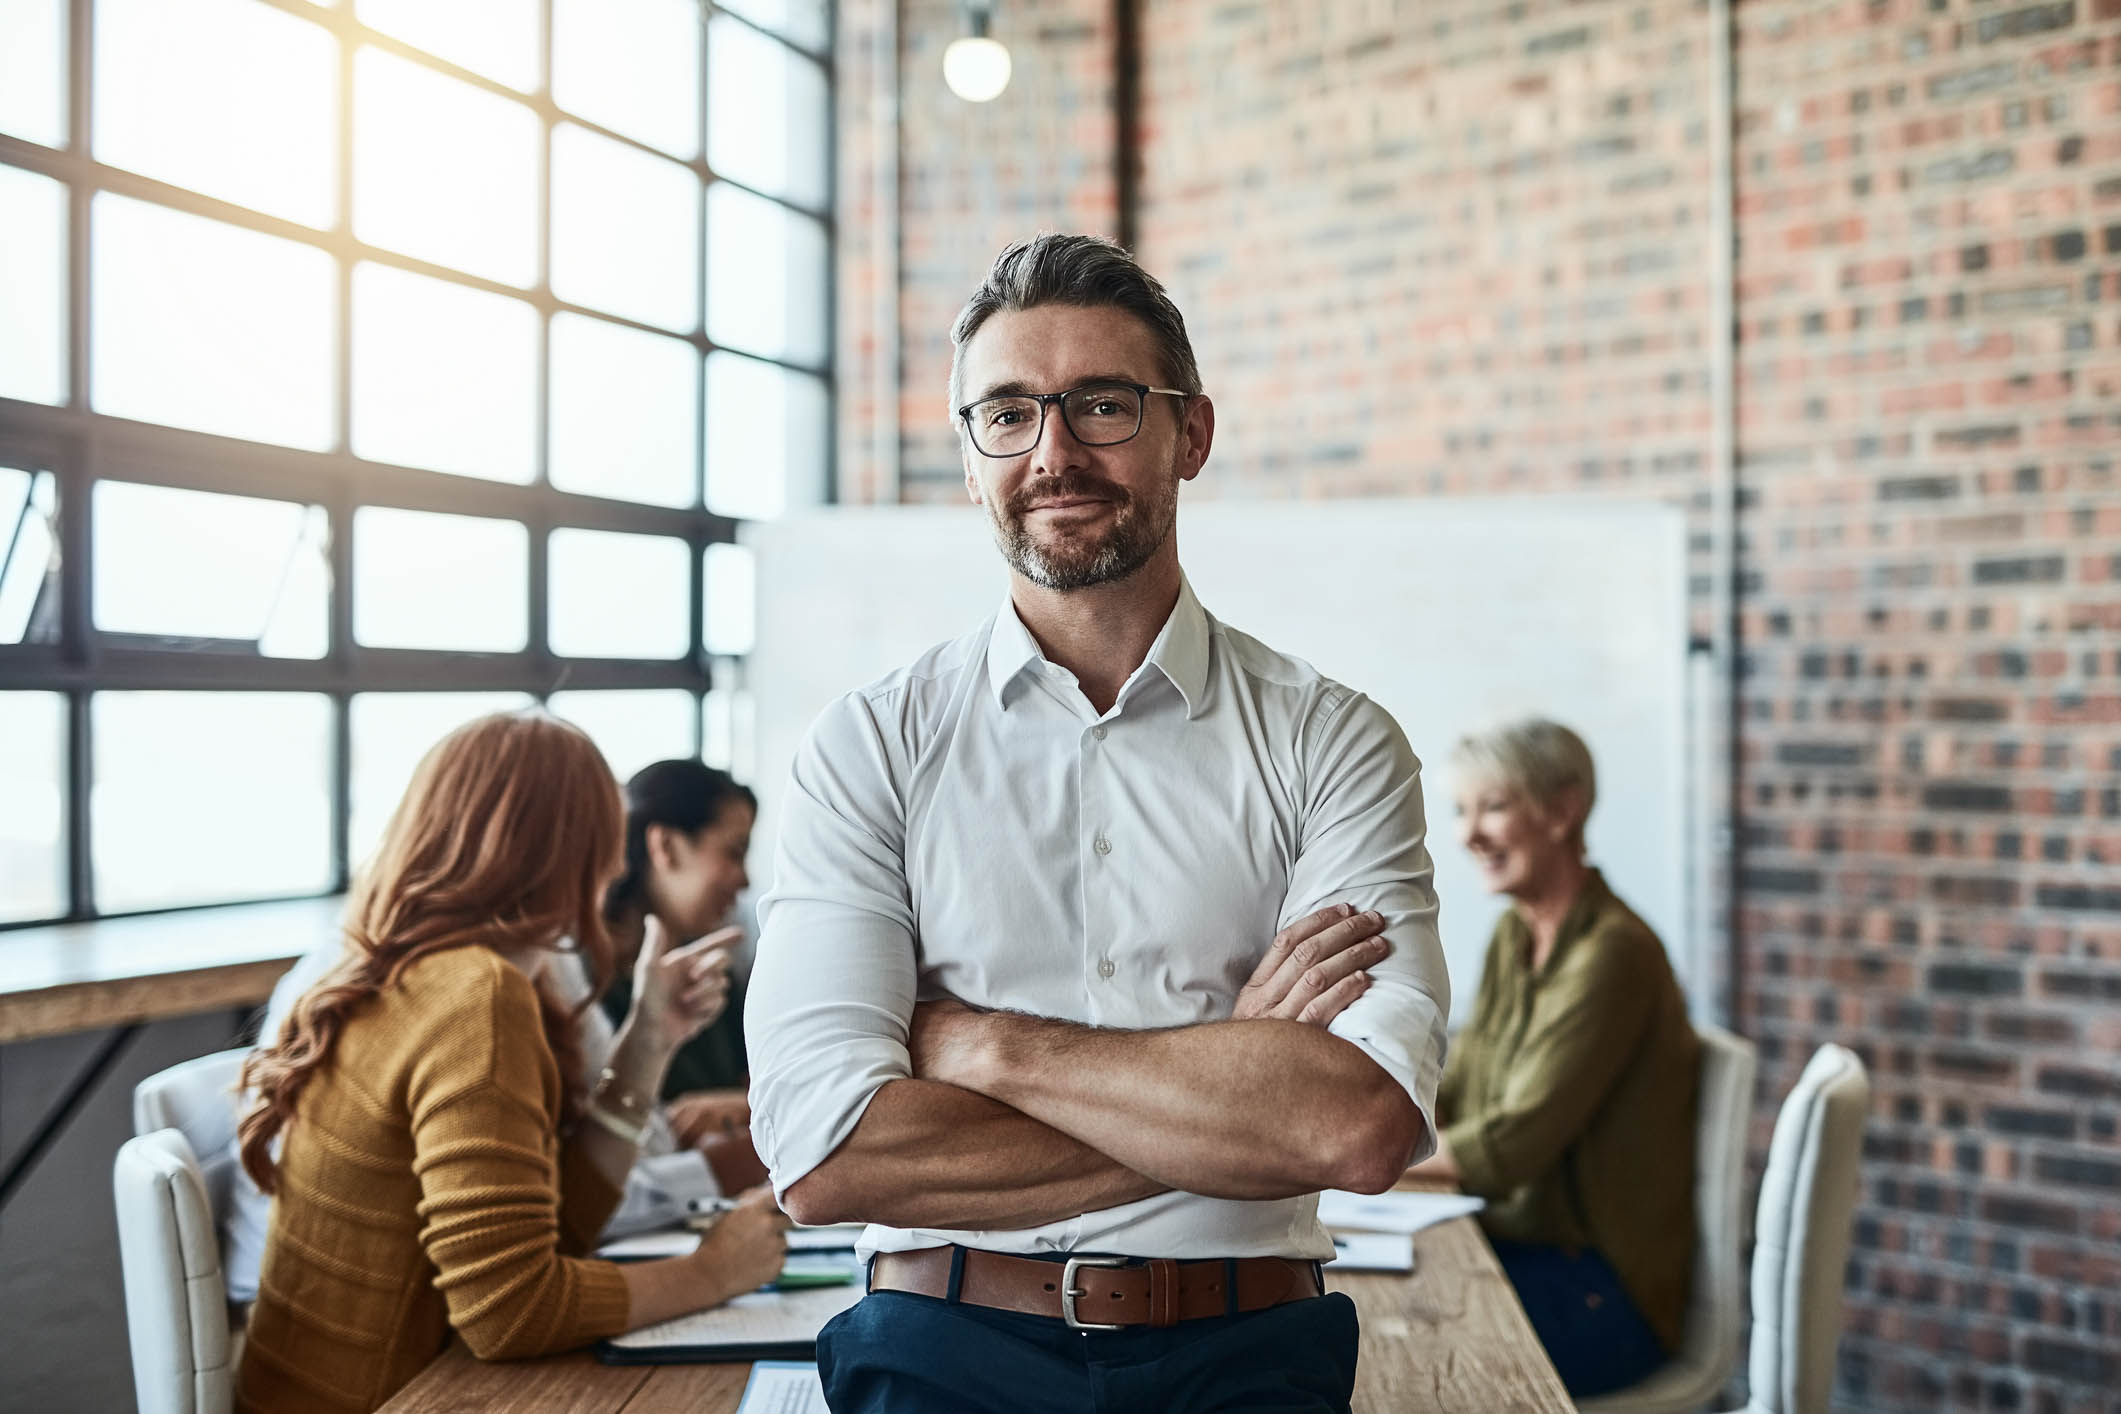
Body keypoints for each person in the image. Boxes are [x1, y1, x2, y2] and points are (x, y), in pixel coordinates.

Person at [744, 233, 1452, 1414]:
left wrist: (983, 1045)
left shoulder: (1334, 740)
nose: (1054, 453)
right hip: (939, 1346)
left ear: (1193, 433)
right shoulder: (868, 747)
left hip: (1249, 1356)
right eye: (1009, 414)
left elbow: (1357, 1124)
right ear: (971, 460)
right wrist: (1230, 1068)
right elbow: (825, 1159)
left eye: (1104, 405)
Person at [232, 712, 787, 1414]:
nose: (616, 862)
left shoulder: (416, 967)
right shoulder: (477, 996)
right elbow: (507, 1312)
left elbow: (556, 1232)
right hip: (396, 1397)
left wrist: (647, 1041)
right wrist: (712, 1273)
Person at [1410, 717, 1699, 1398]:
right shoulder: (1515, 934)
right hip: (1524, 1252)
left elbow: (1509, 1146)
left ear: (1563, 811)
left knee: (1389, 1354)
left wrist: (1353, 1154)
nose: (1467, 834)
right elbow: (1455, 1086)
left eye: (1494, 806)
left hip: (1602, 1294)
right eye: (1461, 810)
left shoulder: (1613, 954)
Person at [598, 759, 767, 1192]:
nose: (744, 880)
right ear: (666, 847)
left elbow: (761, 1083)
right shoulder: (582, 985)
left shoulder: (717, 976)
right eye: (734, 852)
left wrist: (744, 1106)